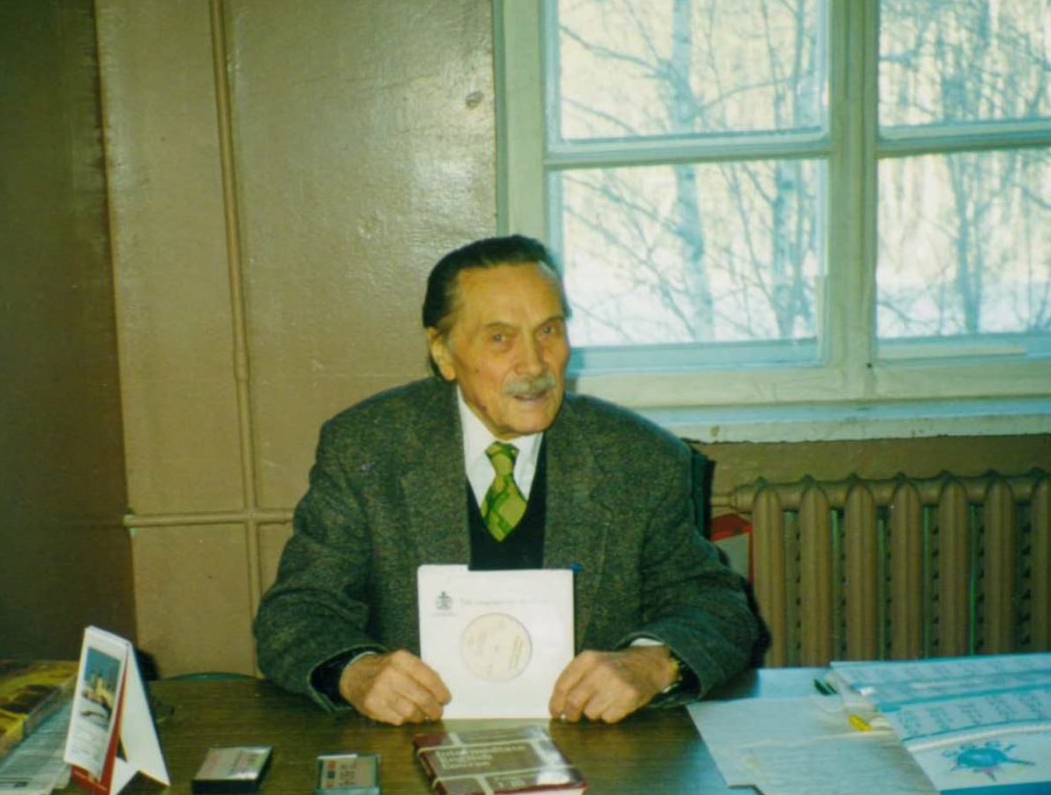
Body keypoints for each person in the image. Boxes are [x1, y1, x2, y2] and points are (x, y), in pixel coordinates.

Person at [254, 235, 762, 725]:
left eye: (549, 331)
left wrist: (652, 663)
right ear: (443, 352)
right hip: (417, 742)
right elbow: (297, 612)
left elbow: (716, 607)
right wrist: (356, 673)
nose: (535, 364)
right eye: (500, 338)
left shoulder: (640, 457)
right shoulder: (367, 448)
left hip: (593, 749)